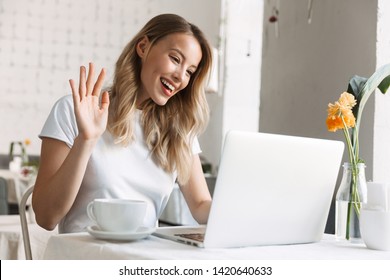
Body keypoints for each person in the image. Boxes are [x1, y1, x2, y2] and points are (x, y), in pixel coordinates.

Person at [32, 14, 213, 233]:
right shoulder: (74, 110)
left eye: (190, 72)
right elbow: (46, 217)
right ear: (143, 47)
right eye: (175, 59)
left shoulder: (180, 130)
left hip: (142, 259)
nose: (180, 77)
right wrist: (86, 140)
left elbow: (201, 206)